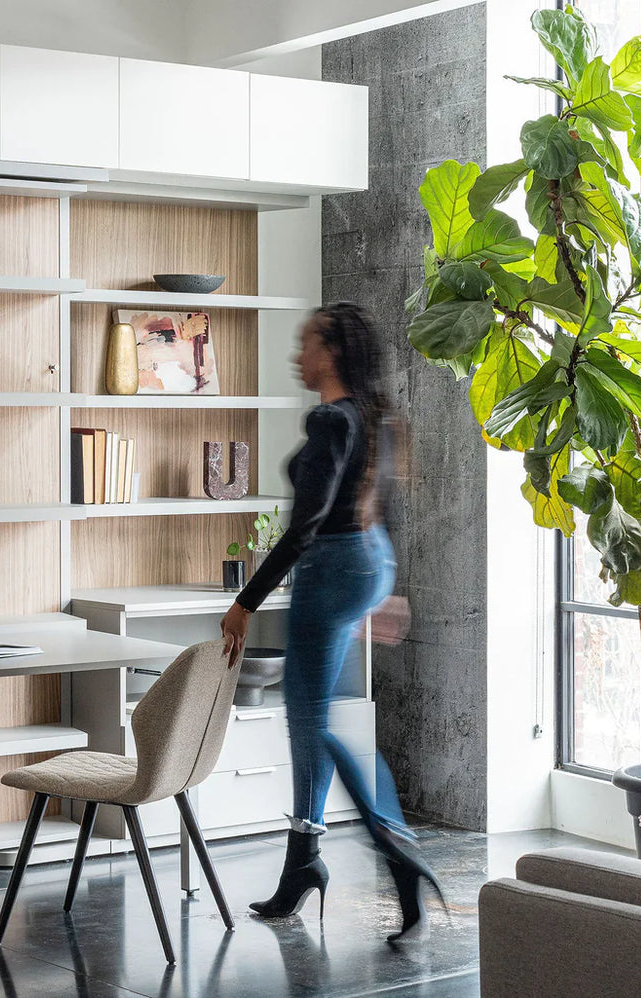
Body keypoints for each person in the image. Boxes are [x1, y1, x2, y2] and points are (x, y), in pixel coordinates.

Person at [219, 301, 443, 942]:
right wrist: (384, 588)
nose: (297, 353)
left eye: (305, 343)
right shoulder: (373, 417)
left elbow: (305, 529)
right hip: (369, 560)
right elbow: (376, 499)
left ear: (333, 351)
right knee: (311, 720)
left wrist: (246, 602)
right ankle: (303, 864)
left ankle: (396, 850)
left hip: (333, 568)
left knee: (310, 722)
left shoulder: (328, 420)